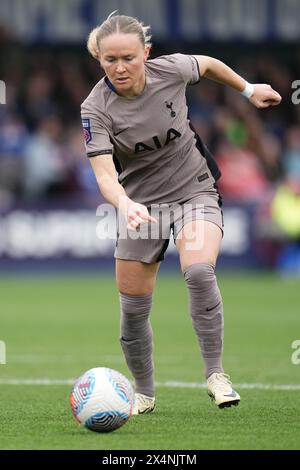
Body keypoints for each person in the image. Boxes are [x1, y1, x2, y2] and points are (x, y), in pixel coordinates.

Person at [81, 13, 281, 414]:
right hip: (140, 205)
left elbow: (206, 64)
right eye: (110, 60)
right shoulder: (94, 108)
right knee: (133, 312)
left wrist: (247, 89)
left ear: (146, 54)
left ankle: (216, 375)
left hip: (194, 190)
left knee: (199, 271)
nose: (120, 68)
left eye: (128, 58)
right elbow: (104, 174)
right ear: (100, 59)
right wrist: (125, 205)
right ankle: (143, 393)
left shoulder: (171, 70)